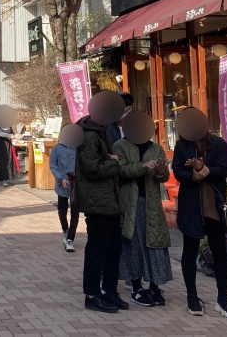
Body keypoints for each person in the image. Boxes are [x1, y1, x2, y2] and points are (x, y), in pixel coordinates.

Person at [173, 110, 227, 318]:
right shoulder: (182, 146)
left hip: (214, 207)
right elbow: (178, 172)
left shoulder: (219, 144)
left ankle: (223, 298)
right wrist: (194, 175)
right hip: (191, 207)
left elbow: (223, 170)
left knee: (220, 252)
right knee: (189, 251)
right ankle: (192, 297)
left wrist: (204, 169)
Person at [115, 127, 173, 308]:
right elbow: (121, 171)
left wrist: (161, 170)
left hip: (152, 203)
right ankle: (136, 288)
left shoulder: (156, 148)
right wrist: (143, 166)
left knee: (155, 244)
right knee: (134, 244)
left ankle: (155, 287)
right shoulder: (120, 146)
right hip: (131, 203)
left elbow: (163, 178)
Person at [75, 115, 126, 313]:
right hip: (97, 202)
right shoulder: (89, 135)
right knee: (97, 249)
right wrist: (114, 162)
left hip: (108, 200)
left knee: (114, 248)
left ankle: (110, 291)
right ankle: (92, 295)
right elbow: (91, 168)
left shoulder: (102, 130)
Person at [48, 138, 79, 253]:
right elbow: (53, 166)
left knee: (75, 212)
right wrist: (61, 179)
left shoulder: (78, 147)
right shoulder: (56, 148)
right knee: (62, 211)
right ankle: (65, 230)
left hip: (76, 185)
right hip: (61, 184)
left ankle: (70, 239)